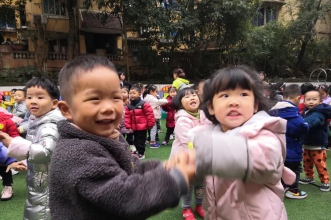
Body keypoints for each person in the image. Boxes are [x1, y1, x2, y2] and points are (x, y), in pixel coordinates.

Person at [50, 55, 193, 220]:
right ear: (66, 110)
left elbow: (130, 166)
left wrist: (164, 168)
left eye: (116, 97)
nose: (108, 107)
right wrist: (175, 179)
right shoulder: (75, 152)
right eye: (94, 99)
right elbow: (126, 198)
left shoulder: (107, 137)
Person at [167, 66, 296, 220]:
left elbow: (259, 160)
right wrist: (184, 171)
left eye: (243, 94)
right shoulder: (210, 134)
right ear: (211, 107)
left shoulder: (264, 132)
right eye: (225, 95)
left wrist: (204, 155)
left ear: (255, 105)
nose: (234, 102)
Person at [0, 77, 65, 219]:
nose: (33, 101)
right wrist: (22, 162)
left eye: (40, 97)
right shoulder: (37, 120)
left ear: (54, 103)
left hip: (47, 184)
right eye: (29, 97)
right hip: (40, 179)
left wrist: (12, 142)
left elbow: (45, 152)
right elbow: (33, 147)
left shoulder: (50, 125)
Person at [170, 87, 211, 220]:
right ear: (181, 103)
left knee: (201, 183)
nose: (192, 97)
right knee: (188, 184)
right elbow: (188, 142)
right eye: (187, 97)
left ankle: (199, 205)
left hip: (203, 156)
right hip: (187, 158)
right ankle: (186, 207)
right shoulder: (182, 120)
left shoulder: (204, 115)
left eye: (193, 95)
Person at [269, 84, 309, 199]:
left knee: (280, 168)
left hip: (277, 147)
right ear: (298, 97)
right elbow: (300, 128)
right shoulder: (293, 114)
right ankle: (293, 190)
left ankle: (280, 187)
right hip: (292, 148)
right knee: (294, 169)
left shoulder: (273, 111)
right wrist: (306, 125)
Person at [299, 90, 331, 191]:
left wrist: (302, 124)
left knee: (319, 163)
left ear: (320, 101)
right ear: (304, 101)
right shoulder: (305, 111)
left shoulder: (319, 112)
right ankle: (309, 177)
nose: (311, 102)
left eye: (314, 99)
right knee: (306, 162)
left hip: (318, 143)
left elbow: (313, 120)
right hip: (307, 142)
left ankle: (325, 181)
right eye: (308, 99)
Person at [125, 85, 155, 159]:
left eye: (134, 93)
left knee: (141, 140)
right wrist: (128, 126)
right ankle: (138, 151)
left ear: (139, 94)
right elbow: (127, 117)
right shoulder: (129, 106)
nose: (131, 95)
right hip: (134, 127)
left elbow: (150, 115)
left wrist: (150, 124)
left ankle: (141, 153)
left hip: (142, 127)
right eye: (130, 93)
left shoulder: (144, 104)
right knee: (135, 140)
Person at [0, 110, 22, 201]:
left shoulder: (6, 119)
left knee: (4, 168)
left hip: (4, 150)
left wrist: (11, 145)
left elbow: (14, 135)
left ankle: (8, 186)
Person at [118, 86, 135, 153]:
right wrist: (117, 123)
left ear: (128, 93)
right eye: (120, 92)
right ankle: (122, 149)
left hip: (129, 124)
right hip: (120, 124)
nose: (122, 94)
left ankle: (132, 147)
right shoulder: (117, 102)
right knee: (121, 138)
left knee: (130, 137)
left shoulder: (131, 103)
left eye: (124, 92)